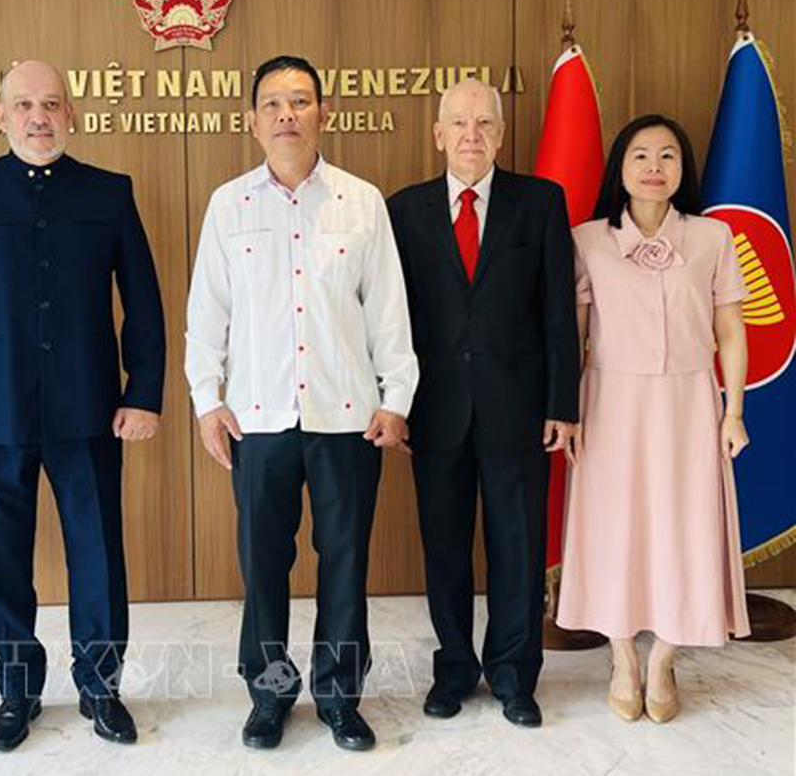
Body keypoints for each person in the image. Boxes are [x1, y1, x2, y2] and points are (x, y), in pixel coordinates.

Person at [0, 60, 165, 750]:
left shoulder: (109, 192)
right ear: (0, 115)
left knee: (98, 555)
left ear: (71, 113)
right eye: (23, 104)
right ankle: (17, 689)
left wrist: (143, 391)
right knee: (2, 560)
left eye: (51, 103)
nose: (38, 116)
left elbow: (142, 299)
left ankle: (101, 686)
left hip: (90, 408)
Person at [186, 55, 418, 752]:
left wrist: (397, 397)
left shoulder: (362, 201)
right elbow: (208, 312)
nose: (287, 114)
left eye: (300, 101)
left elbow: (388, 310)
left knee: (344, 561)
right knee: (262, 565)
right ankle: (269, 694)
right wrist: (206, 399)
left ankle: (340, 696)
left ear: (324, 114)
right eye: (273, 103)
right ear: (252, 121)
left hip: (347, 416)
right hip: (257, 418)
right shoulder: (229, 205)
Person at [386, 77, 579, 729]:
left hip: (518, 409)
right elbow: (391, 318)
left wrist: (562, 403)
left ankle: (514, 676)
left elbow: (558, 312)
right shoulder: (404, 210)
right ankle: (454, 670)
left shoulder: (540, 202)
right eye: (459, 123)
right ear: (438, 134)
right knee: (443, 548)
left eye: (485, 123)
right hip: (434, 410)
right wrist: (394, 403)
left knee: (517, 547)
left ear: (501, 132)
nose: (472, 135)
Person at [557, 114, 751, 723]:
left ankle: (665, 657)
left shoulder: (713, 237)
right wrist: (567, 411)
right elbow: (573, 336)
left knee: (685, 527)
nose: (654, 167)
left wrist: (734, 411)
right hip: (609, 402)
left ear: (682, 170)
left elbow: (730, 329)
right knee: (613, 527)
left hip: (689, 402)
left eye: (668, 155)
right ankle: (623, 658)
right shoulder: (587, 239)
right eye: (640, 155)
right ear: (619, 167)